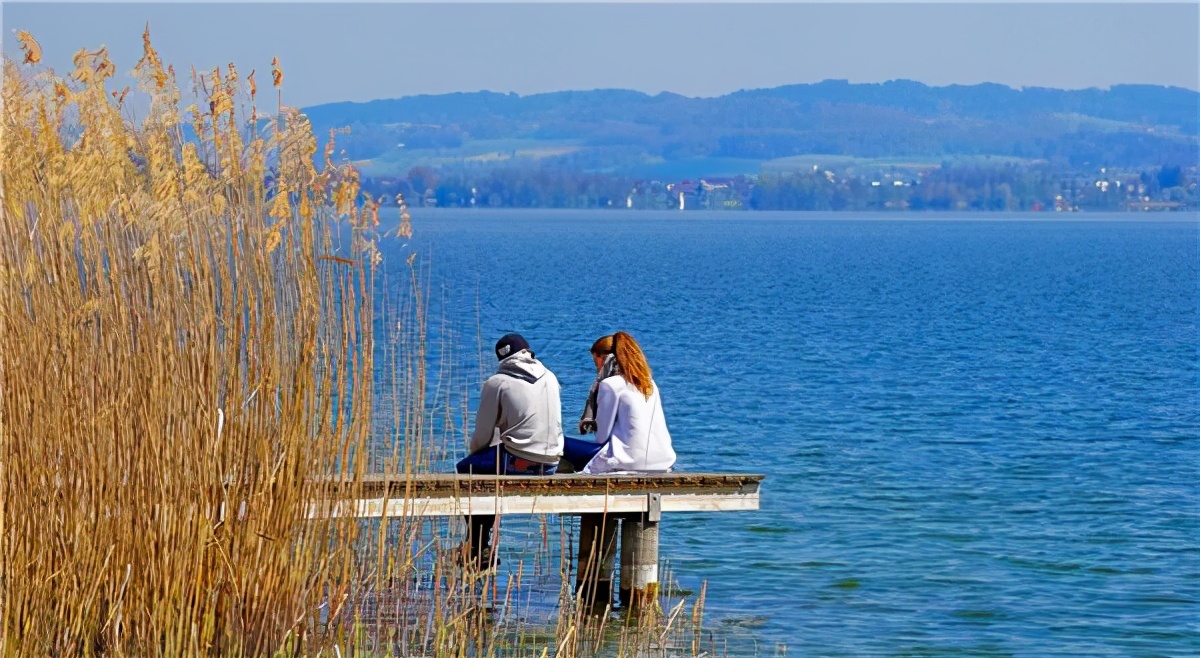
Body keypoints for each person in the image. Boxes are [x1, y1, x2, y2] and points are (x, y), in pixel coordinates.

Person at [456, 333, 564, 571]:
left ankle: (477, 545)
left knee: (467, 468)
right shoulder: (551, 377)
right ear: (528, 353)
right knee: (491, 463)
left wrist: (475, 455)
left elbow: (482, 437)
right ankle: (479, 545)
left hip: (518, 460)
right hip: (552, 462)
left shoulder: (497, 382)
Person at [573, 331, 676, 474]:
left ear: (604, 358)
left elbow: (602, 436)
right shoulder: (649, 383)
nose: (596, 367)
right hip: (662, 460)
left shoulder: (610, 385)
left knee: (561, 444)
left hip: (628, 461)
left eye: (595, 360)